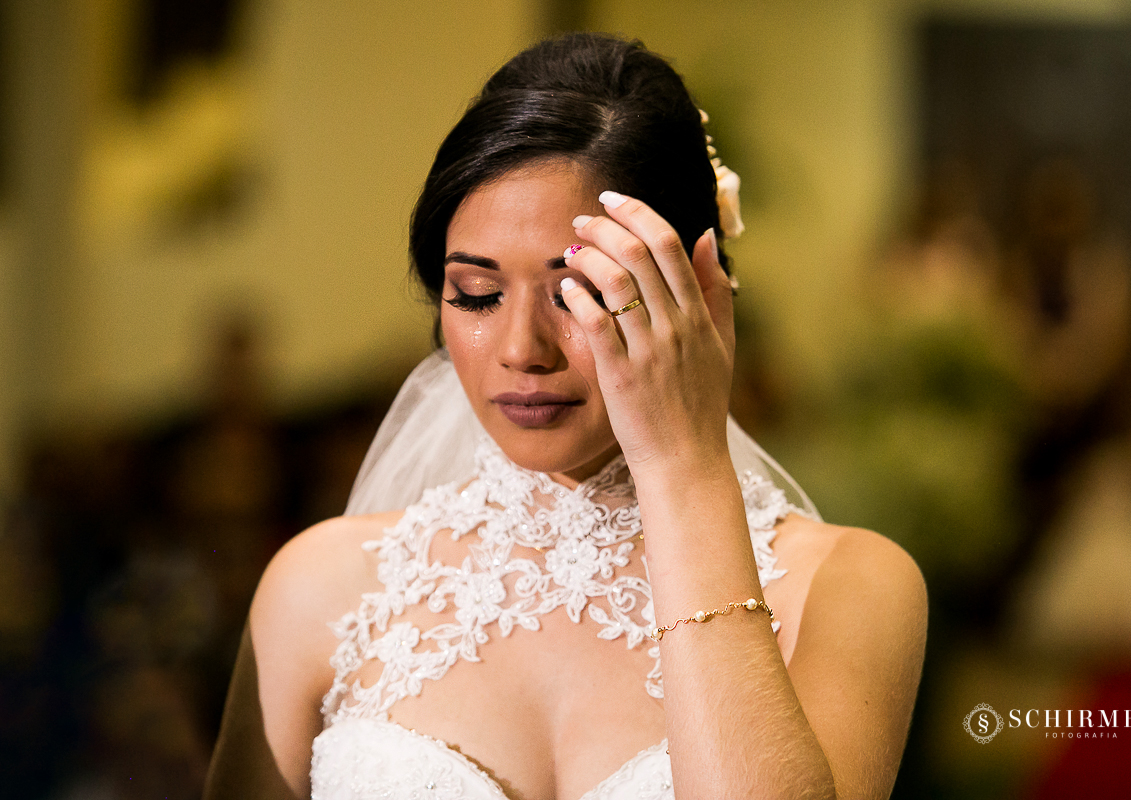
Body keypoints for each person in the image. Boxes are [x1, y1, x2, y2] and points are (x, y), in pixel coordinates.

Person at [203, 33, 927, 800]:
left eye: (575, 294)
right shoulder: (318, 587)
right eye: (477, 295)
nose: (522, 349)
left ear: (701, 287)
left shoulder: (847, 589)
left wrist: (682, 470)